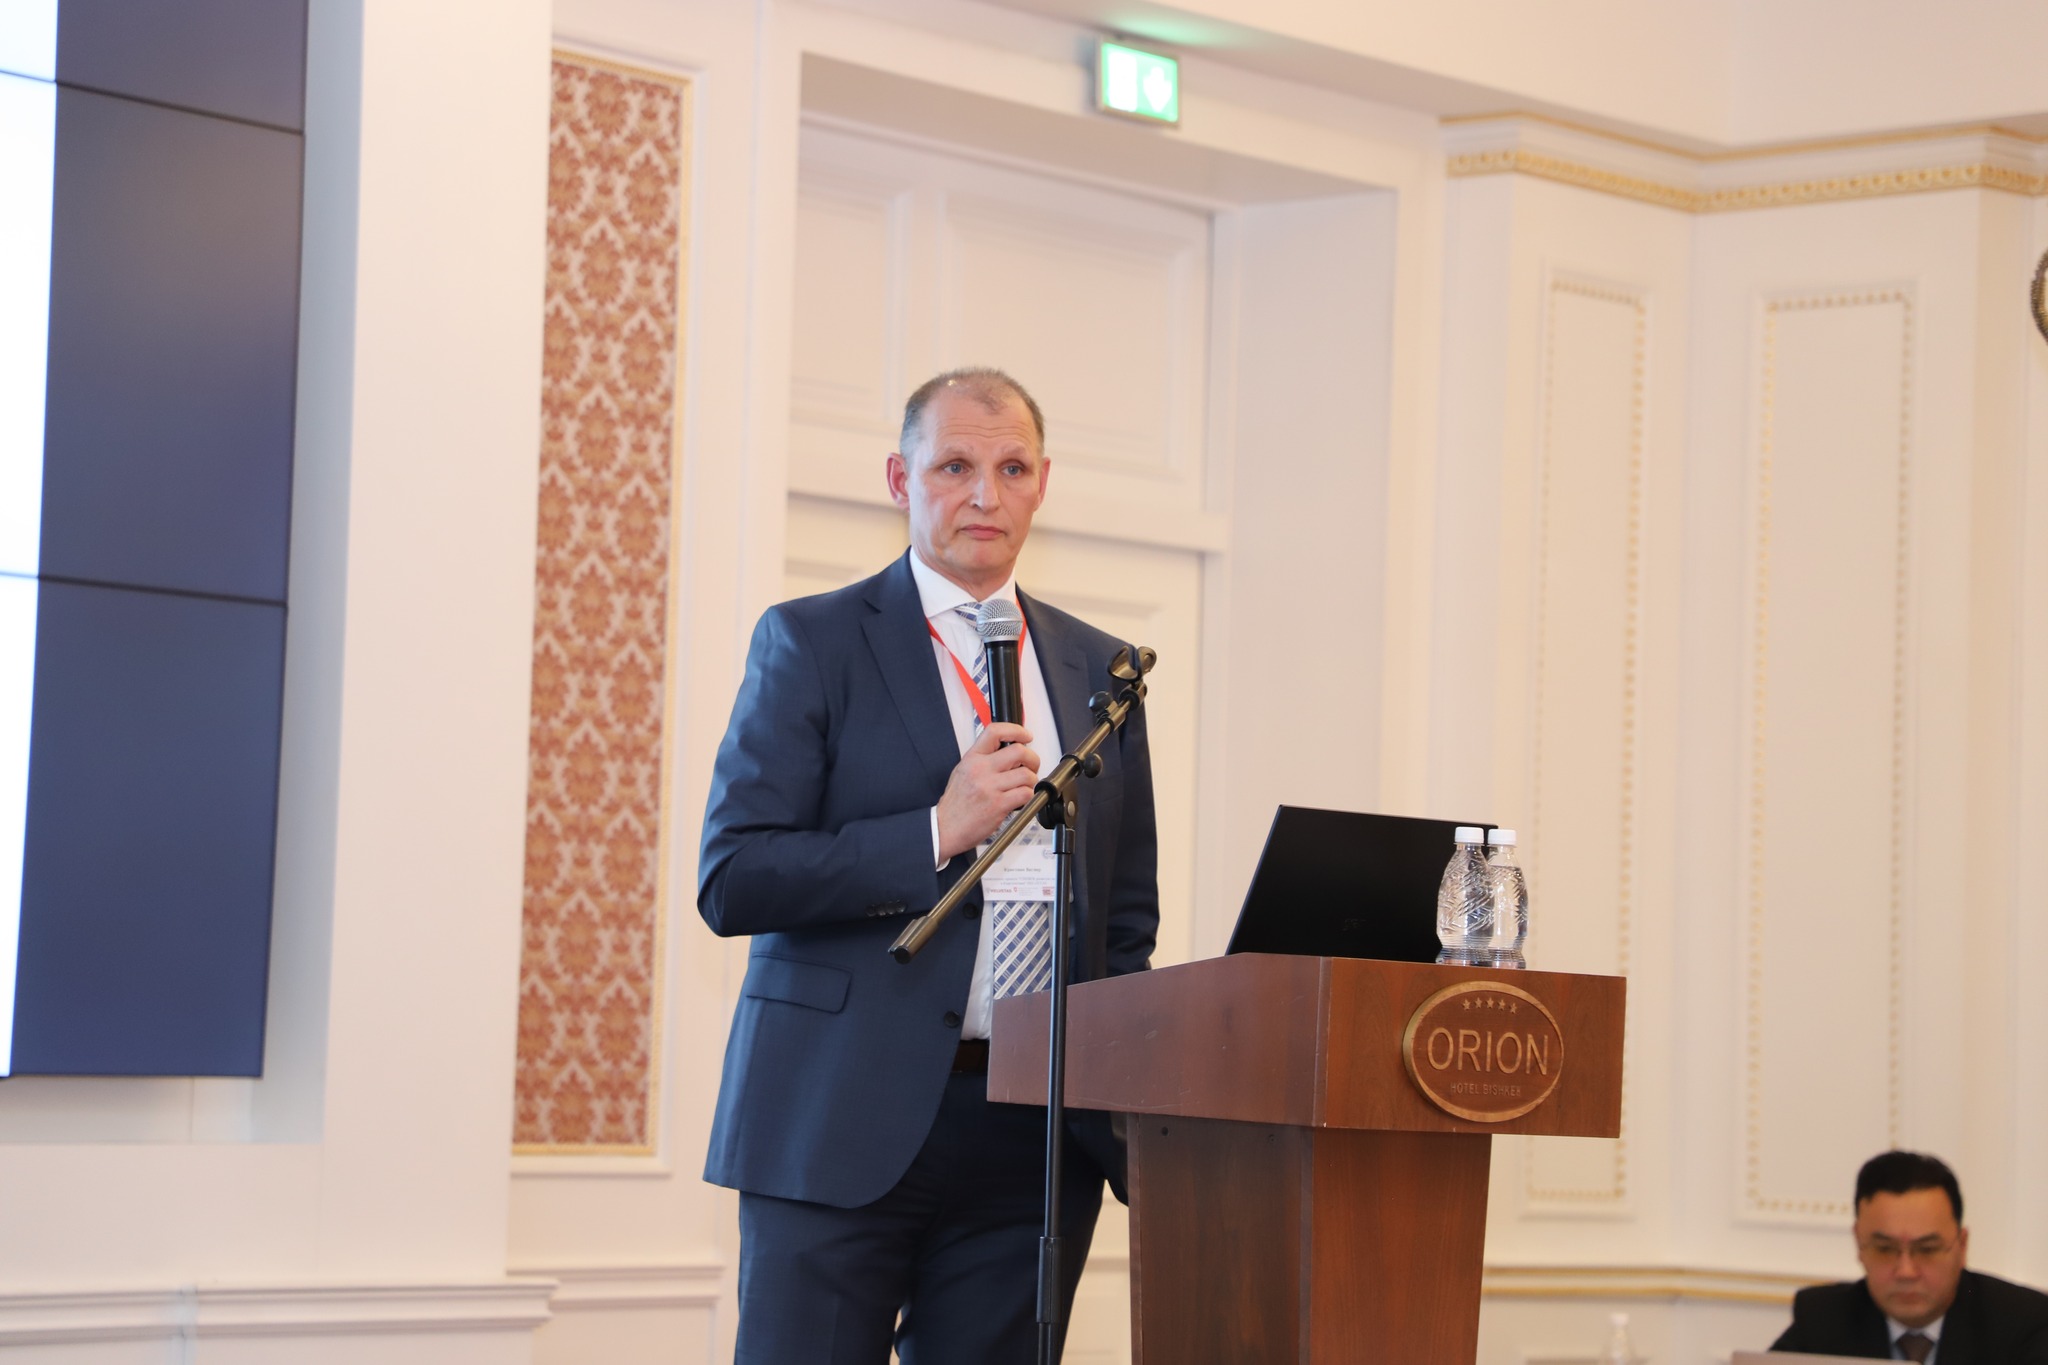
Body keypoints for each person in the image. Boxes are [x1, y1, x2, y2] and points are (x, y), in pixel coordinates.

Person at [697, 367, 1160, 1364]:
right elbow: (734, 875)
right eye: (954, 466)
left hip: (1032, 1138)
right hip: (838, 1117)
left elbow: (1123, 923)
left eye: (1011, 468)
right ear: (900, 480)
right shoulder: (811, 640)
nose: (984, 494)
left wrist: (1116, 1106)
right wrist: (935, 830)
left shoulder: (1104, 670)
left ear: (1043, 484)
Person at [1771, 1151, 2048, 1363]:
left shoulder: (2021, 1324)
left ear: (1962, 1246)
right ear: (1859, 1244)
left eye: (1927, 1250)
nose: (1906, 1271)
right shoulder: (1823, 1320)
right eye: (1885, 1249)